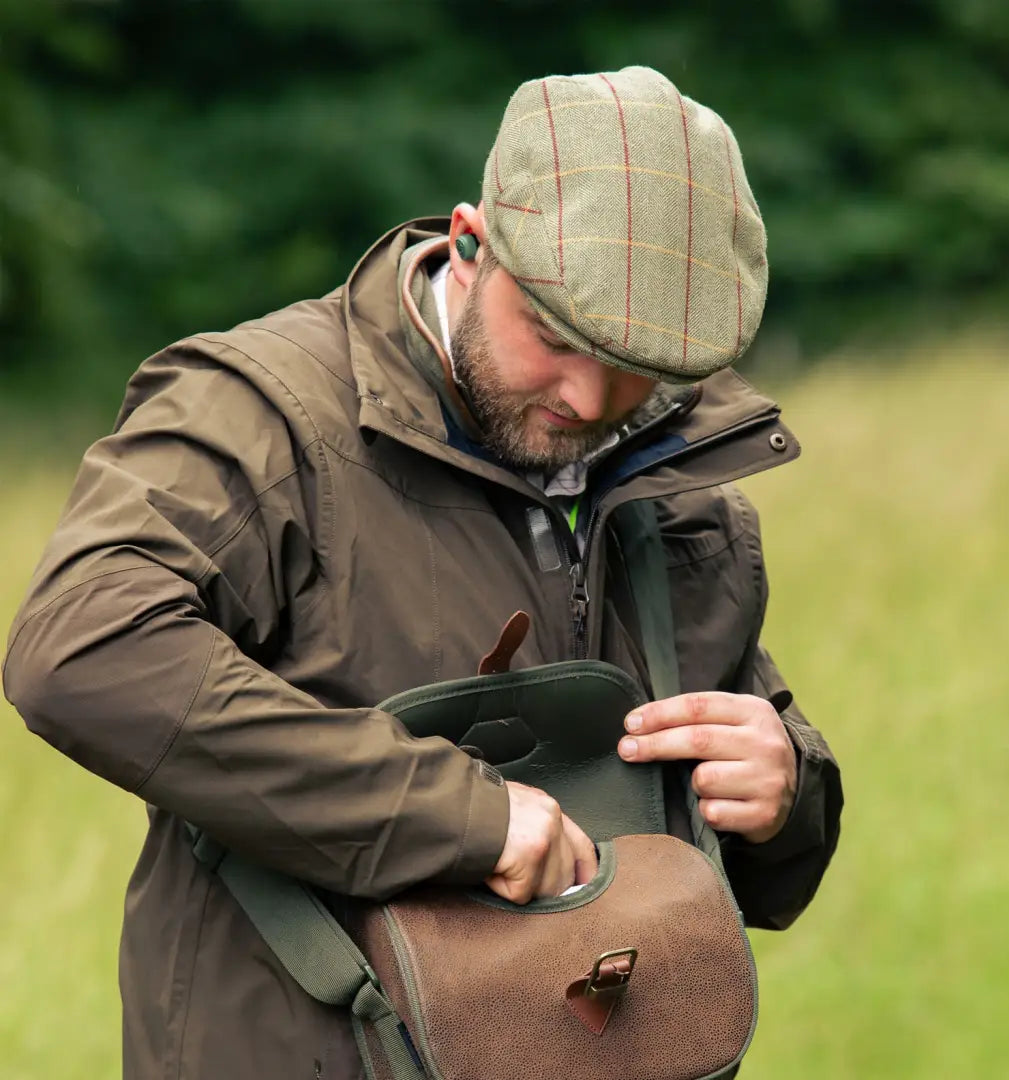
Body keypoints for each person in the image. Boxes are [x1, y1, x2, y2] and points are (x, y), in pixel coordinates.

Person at [3, 66, 841, 1078]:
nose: (588, 395)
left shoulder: (676, 482)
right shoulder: (264, 417)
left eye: (638, 367)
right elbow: (83, 652)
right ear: (472, 244)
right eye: (556, 336)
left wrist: (787, 784)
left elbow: (756, 875)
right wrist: (457, 817)